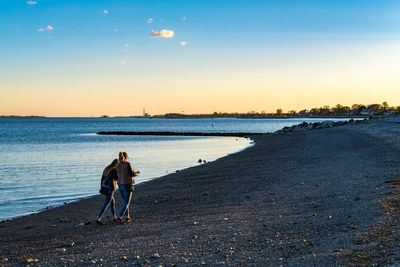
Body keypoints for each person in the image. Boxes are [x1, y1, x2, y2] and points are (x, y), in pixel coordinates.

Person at [115, 151, 140, 222]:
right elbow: (132, 174)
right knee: (126, 202)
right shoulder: (127, 164)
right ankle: (119, 216)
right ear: (126, 157)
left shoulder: (117, 165)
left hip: (120, 185)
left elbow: (116, 176)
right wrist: (138, 173)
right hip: (127, 184)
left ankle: (127, 216)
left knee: (125, 201)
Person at [96, 159, 119, 225]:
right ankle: (98, 218)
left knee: (112, 202)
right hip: (110, 188)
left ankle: (115, 217)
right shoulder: (114, 170)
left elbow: (102, 178)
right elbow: (116, 178)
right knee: (106, 204)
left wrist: (102, 187)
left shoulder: (107, 168)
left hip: (105, 187)